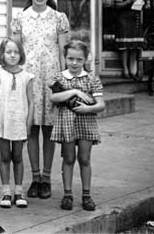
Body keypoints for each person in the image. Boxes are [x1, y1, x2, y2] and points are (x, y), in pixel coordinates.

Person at [11, 0, 69, 199]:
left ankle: (46, 178)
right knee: (31, 129)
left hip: (52, 81)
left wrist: (65, 81)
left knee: (48, 130)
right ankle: (34, 178)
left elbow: (64, 52)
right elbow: (14, 52)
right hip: (29, 80)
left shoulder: (58, 18)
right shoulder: (20, 18)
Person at [49, 39, 105, 211]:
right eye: (71, 58)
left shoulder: (92, 80)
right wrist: (74, 91)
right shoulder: (59, 78)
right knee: (68, 158)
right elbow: (53, 98)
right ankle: (67, 194)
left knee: (85, 159)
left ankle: (86, 195)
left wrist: (87, 109)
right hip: (66, 124)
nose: (74, 63)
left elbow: (100, 105)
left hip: (86, 123)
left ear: (85, 59)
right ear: (65, 58)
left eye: (79, 60)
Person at [0, 37, 34, 209]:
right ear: (2, 54)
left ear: (21, 54)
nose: (13, 55)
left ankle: (19, 191)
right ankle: (6, 191)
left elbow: (31, 102)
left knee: (17, 156)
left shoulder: (27, 76)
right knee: (5, 156)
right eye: (8, 52)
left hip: (19, 122)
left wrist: (28, 123)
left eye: (16, 52)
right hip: (2, 121)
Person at [113, 0, 146, 80]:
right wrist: (129, 1)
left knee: (134, 46)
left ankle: (133, 70)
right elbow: (117, 6)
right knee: (124, 47)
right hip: (124, 21)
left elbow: (142, 7)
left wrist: (144, 1)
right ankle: (125, 70)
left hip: (135, 20)